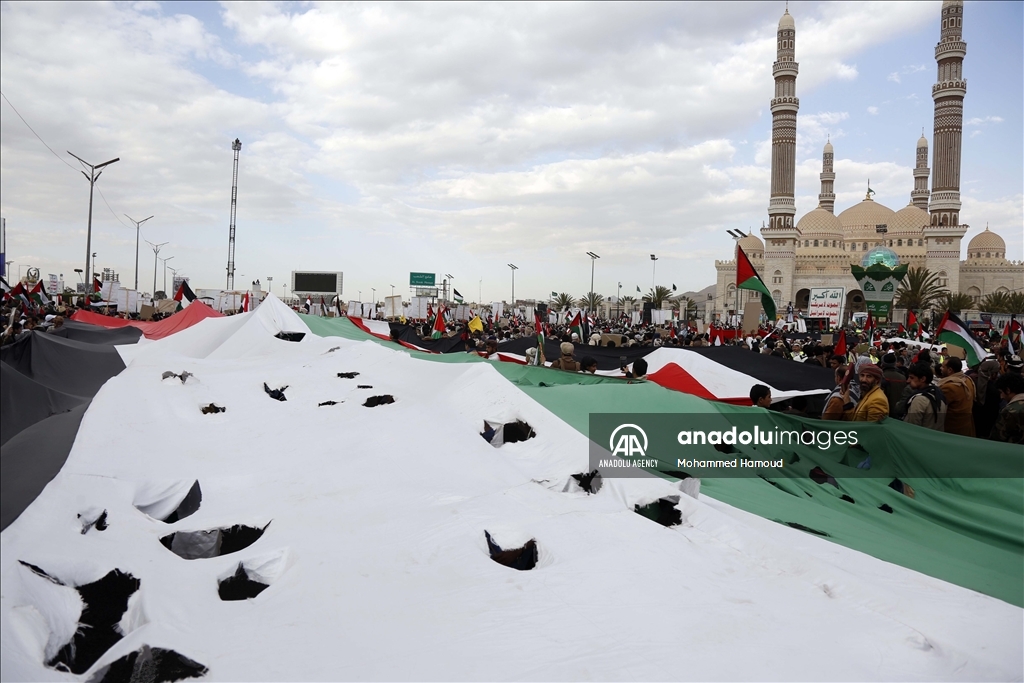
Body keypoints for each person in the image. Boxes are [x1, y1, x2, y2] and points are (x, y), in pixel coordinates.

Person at [938, 357, 976, 437]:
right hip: (966, 427)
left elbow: (937, 407)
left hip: (953, 431)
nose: (940, 368)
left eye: (943, 366)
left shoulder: (949, 387)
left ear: (950, 370)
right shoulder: (968, 380)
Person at [903, 363, 946, 431]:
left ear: (922, 379)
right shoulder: (938, 394)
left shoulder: (919, 400)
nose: (908, 380)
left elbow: (912, 428)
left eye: (912, 377)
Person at [989, 373, 1024, 443]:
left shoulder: (1009, 411)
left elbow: (997, 439)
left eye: (1001, 392)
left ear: (1008, 390)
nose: (1001, 397)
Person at [880, 353, 906, 417]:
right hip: (899, 412)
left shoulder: (881, 377)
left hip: (885, 412)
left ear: (883, 363)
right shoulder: (903, 377)